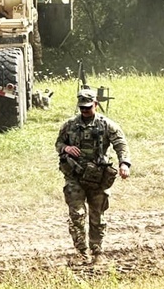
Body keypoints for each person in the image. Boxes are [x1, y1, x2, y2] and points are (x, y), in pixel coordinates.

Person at [55, 87, 131, 265]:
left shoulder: (106, 125)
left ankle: (97, 252)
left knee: (97, 216)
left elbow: (120, 144)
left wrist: (124, 163)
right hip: (75, 177)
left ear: (95, 105)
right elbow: (58, 143)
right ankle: (81, 253)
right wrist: (65, 148)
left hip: (98, 178)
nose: (85, 111)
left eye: (88, 107)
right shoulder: (69, 125)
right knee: (77, 214)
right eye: (82, 107)